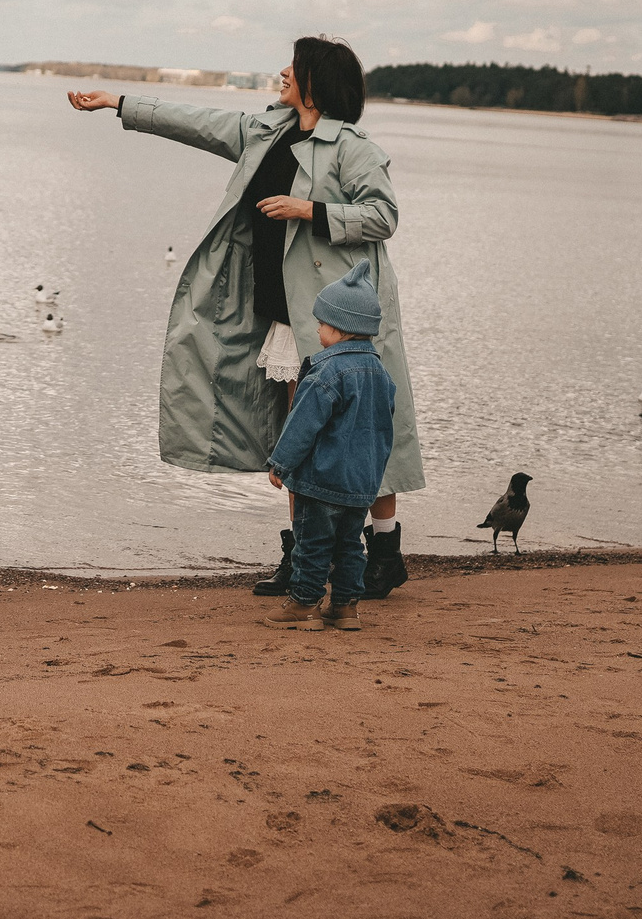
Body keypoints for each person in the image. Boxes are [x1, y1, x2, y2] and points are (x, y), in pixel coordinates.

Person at [65, 35, 421, 598]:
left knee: (364, 435)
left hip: (340, 315)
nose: (282, 72)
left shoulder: (352, 147)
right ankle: (303, 553)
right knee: (296, 435)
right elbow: (196, 120)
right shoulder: (266, 132)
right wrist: (118, 103)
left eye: (293, 66)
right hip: (283, 314)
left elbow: (384, 215)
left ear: (316, 81)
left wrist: (308, 210)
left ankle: (383, 551)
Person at [263, 259, 394, 629]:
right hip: (360, 483)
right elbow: (384, 429)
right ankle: (346, 607)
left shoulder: (326, 371)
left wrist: (281, 463)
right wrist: (373, 472)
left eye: (321, 323)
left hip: (321, 481)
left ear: (339, 328)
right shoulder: (381, 373)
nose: (317, 329)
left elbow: (302, 423)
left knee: (312, 544)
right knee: (351, 545)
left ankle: (305, 604)